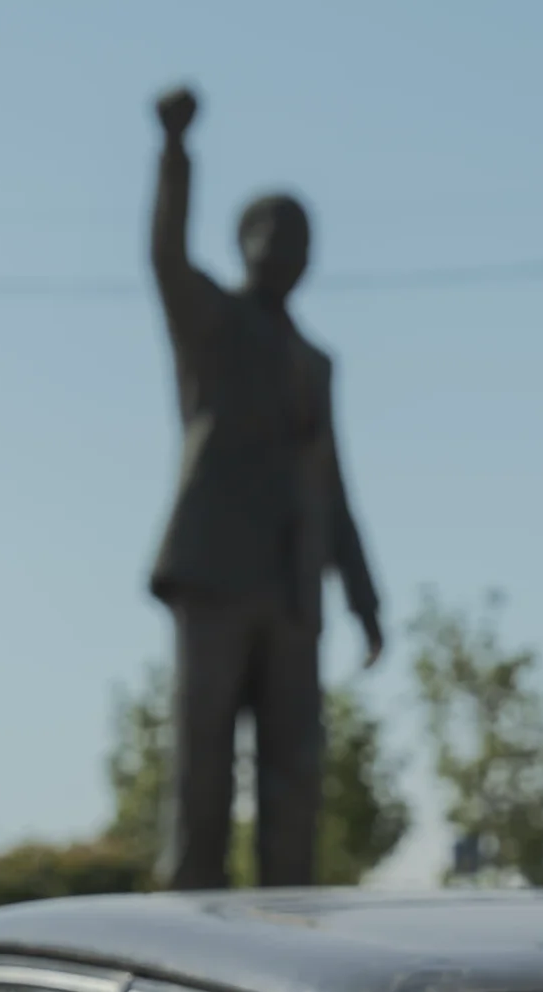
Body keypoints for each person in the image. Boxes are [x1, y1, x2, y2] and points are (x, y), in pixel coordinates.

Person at [147, 84, 384, 890]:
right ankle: (192, 921)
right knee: (202, 763)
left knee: (296, 775)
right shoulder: (212, 324)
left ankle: (288, 922)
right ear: (245, 241)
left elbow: (334, 485)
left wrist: (364, 595)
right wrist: (176, 152)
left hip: (292, 587)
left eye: (302, 237)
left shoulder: (316, 362)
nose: (289, 247)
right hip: (215, 571)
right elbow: (166, 257)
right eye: (274, 231)